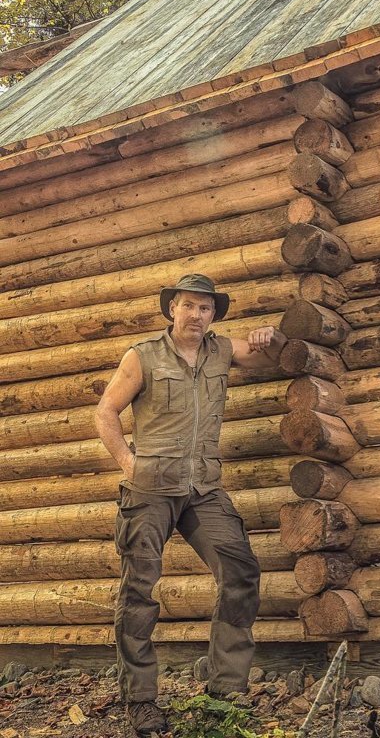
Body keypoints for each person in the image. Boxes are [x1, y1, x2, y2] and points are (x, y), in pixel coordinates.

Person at [95, 273, 286, 737]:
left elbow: (269, 356)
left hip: (203, 488)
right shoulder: (142, 356)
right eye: (188, 306)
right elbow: (105, 412)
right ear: (171, 309)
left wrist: (272, 337)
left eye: (205, 308)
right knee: (139, 590)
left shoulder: (221, 350)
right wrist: (127, 462)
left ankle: (225, 692)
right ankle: (140, 701)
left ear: (214, 314)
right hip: (151, 489)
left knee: (239, 572)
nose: (196, 315)